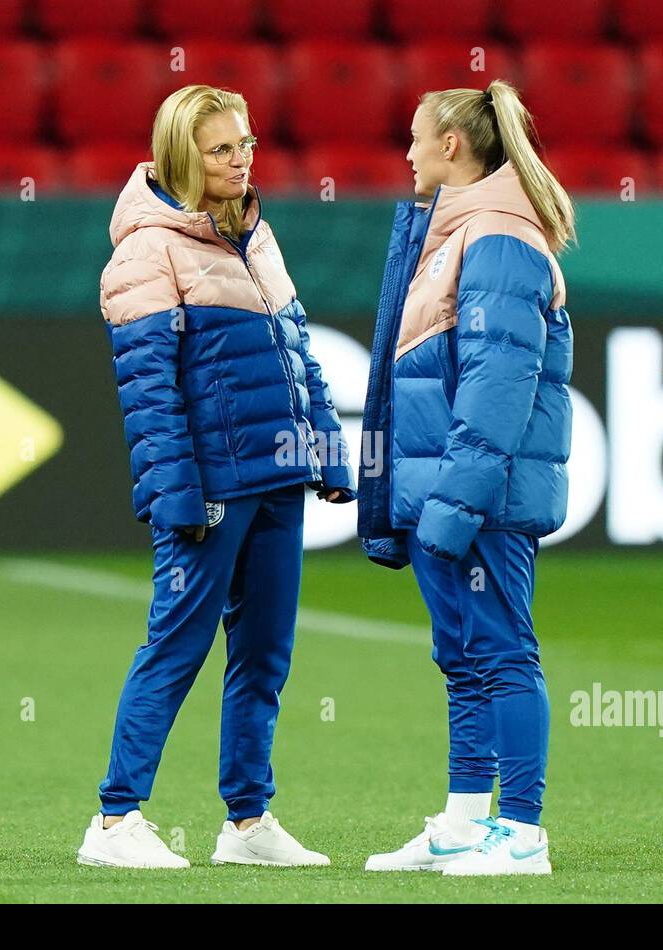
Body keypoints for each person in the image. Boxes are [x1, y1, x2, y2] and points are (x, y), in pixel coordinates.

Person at [77, 84, 355, 870]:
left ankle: (247, 821)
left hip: (275, 476)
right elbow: (149, 390)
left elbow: (298, 351)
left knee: (265, 653)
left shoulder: (255, 233)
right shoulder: (145, 249)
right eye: (223, 149)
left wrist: (326, 452)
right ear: (180, 155)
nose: (243, 162)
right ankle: (114, 820)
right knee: (177, 645)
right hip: (210, 483)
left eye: (247, 145)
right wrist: (176, 489)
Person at [357, 79, 574, 876]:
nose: (407, 151)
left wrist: (454, 502)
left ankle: (521, 832)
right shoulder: (463, 233)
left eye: (416, 136)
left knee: (504, 652)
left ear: (452, 145)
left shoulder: (499, 236)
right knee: (463, 656)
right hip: (450, 489)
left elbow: (498, 386)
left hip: (483, 497)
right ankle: (461, 822)